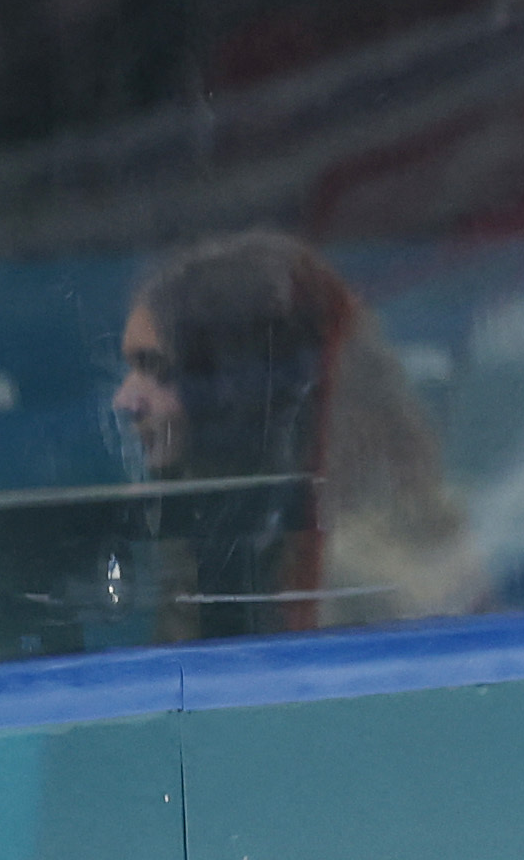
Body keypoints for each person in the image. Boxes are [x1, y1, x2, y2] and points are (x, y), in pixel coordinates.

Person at [114, 228, 475, 636]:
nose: (124, 400)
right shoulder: (237, 537)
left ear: (241, 391)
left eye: (156, 369)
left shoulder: (352, 571)